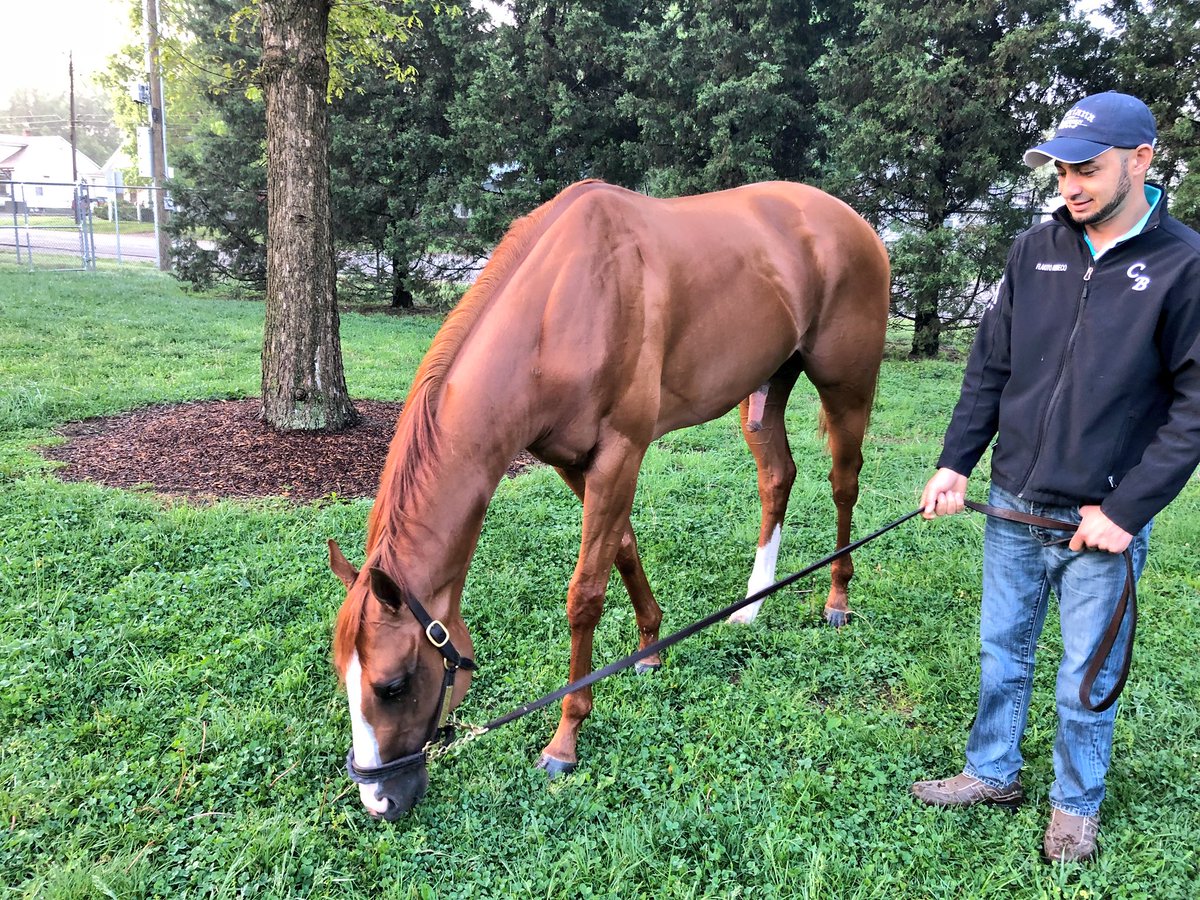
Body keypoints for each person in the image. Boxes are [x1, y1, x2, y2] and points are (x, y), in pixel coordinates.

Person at [912, 91, 1200, 863]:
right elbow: (989, 368)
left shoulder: (1184, 265)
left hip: (1100, 520)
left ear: (1142, 160)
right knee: (1001, 651)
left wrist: (1127, 509)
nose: (1071, 185)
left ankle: (1075, 806)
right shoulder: (1034, 248)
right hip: (1012, 502)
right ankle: (992, 772)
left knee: (1084, 674)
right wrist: (955, 463)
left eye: (1089, 169)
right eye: (1063, 170)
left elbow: (1193, 410)